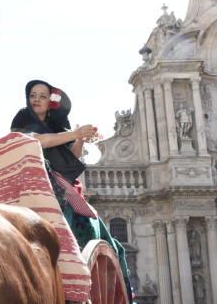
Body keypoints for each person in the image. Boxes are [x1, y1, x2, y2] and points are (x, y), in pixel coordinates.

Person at [10, 80, 130, 286]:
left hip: (61, 185)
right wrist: (75, 133)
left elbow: (71, 158)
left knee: (93, 223)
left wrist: (81, 139)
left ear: (51, 102)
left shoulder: (58, 127)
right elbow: (39, 140)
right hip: (34, 182)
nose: (36, 99)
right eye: (32, 95)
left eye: (42, 96)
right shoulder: (22, 119)